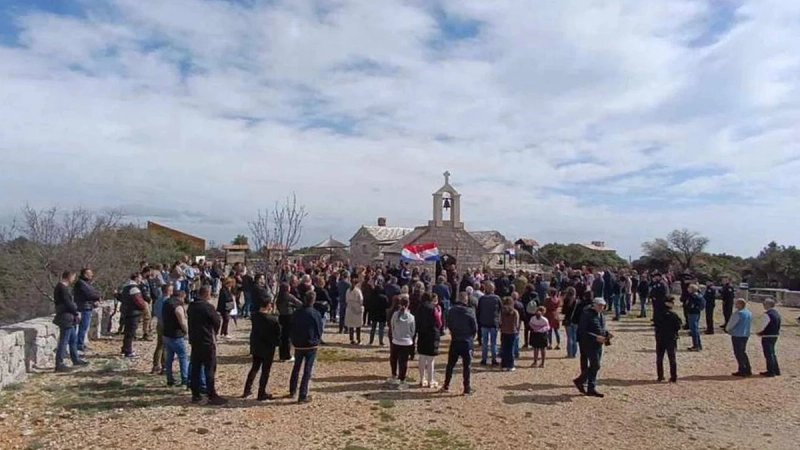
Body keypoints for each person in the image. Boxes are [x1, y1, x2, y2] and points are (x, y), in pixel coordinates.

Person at [187, 285, 226, 405]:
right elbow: (216, 321)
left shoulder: (191, 307)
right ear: (206, 294)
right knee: (209, 368)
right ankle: (211, 394)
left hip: (195, 340)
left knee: (196, 368)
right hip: (207, 340)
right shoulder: (207, 307)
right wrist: (215, 332)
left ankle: (195, 394)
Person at [573, 298, 612, 398]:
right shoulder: (587, 315)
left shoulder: (601, 315)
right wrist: (596, 337)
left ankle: (591, 388)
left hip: (598, 344)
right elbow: (582, 331)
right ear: (594, 305)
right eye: (599, 305)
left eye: (603, 305)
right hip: (588, 343)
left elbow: (600, 328)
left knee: (596, 366)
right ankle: (580, 381)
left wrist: (606, 334)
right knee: (595, 365)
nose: (601, 307)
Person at [243, 299, 281, 400]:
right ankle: (261, 392)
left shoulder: (255, 316)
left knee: (254, 368)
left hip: (256, 345)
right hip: (268, 347)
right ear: (268, 305)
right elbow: (278, 333)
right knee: (265, 371)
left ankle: (247, 389)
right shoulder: (272, 320)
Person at [290, 291, 324, 403]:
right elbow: (319, 329)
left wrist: (294, 339)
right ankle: (302, 395)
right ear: (313, 300)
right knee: (307, 370)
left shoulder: (297, 313)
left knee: (296, 368)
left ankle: (292, 390)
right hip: (310, 344)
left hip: (299, 344)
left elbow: (292, 326)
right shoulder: (315, 314)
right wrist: (317, 339)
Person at [441, 292, 477, 395]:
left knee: (450, 365)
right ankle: (466, 388)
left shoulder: (451, 311)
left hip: (456, 339)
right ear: (466, 300)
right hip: (466, 341)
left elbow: (449, 324)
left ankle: (446, 384)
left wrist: (453, 332)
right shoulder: (470, 311)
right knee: (467, 366)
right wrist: (471, 336)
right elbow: (474, 327)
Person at [53, 271, 89, 372]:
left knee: (73, 339)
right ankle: (59, 364)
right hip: (65, 317)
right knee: (64, 341)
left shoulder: (63, 288)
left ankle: (75, 359)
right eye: (73, 277)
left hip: (69, 317)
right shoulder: (62, 288)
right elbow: (68, 303)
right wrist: (76, 312)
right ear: (69, 277)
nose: (74, 279)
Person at [163, 291, 189, 387]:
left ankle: (169, 379)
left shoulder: (166, 302)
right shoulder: (177, 305)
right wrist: (186, 331)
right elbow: (182, 321)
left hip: (166, 334)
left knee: (169, 358)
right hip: (176, 335)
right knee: (183, 357)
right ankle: (185, 379)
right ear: (181, 297)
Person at [416, 293, 442, 388]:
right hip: (432, 333)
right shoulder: (433, 308)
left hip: (422, 333)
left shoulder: (420, 308)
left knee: (422, 357)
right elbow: (438, 322)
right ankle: (431, 380)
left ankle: (422, 379)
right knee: (430, 359)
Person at [389, 296, 416, 390]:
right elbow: (413, 331)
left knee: (393, 359)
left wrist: (395, 335)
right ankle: (402, 380)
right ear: (408, 304)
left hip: (396, 340)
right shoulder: (411, 317)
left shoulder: (395, 315)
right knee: (403, 362)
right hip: (406, 342)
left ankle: (393, 375)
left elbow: (392, 327)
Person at [73, 268, 101, 352]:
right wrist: (97, 297)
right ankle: (79, 345)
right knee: (83, 327)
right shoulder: (81, 283)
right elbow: (89, 294)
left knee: (84, 327)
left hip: (87, 307)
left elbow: (92, 293)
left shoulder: (86, 283)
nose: (92, 275)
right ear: (85, 274)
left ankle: (80, 344)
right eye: (90, 273)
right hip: (83, 307)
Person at [120, 273, 148, 358]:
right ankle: (128, 351)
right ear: (136, 278)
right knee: (131, 333)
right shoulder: (134, 289)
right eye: (140, 278)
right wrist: (144, 306)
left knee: (127, 331)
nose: (141, 279)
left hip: (126, 311)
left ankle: (125, 348)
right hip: (133, 312)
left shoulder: (125, 287)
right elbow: (138, 301)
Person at [654, 300, 682, 382]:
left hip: (660, 338)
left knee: (659, 358)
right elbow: (678, 326)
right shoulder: (674, 315)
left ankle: (660, 376)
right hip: (671, 338)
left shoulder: (658, 314)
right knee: (672, 358)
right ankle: (673, 376)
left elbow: (656, 324)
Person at [725, 298, 752, 377]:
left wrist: (727, 329)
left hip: (737, 335)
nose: (735, 305)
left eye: (736, 303)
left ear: (740, 304)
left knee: (738, 353)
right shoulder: (749, 313)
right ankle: (747, 369)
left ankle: (742, 370)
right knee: (743, 352)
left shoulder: (738, 313)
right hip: (745, 334)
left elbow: (731, 323)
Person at [477, 281, 501, 366]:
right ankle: (494, 359)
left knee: (485, 343)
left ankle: (484, 359)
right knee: (493, 342)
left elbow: (478, 311)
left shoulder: (482, 299)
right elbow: (500, 310)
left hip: (484, 322)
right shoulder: (497, 298)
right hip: (494, 322)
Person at [277, 282, 302, 362]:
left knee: (282, 337)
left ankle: (282, 355)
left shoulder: (279, 296)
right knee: (288, 337)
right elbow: (299, 304)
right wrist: (292, 305)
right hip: (289, 316)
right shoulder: (289, 296)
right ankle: (287, 356)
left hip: (281, 316)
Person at [756, 298, 781, 377]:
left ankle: (771, 371)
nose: (763, 305)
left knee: (768, 354)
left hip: (767, 335)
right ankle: (776, 370)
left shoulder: (767, 314)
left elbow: (763, 325)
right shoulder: (776, 313)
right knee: (772, 353)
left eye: (765, 304)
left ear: (769, 304)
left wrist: (760, 332)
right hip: (774, 335)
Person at [151, 284, 172, 374]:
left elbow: (155, 312)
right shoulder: (168, 301)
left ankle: (156, 365)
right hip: (166, 324)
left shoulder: (158, 300)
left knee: (159, 345)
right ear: (168, 290)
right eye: (171, 290)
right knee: (166, 346)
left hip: (159, 323)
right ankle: (164, 366)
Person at [499, 297, 520, 371]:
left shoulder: (502, 312)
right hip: (512, 332)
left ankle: (503, 365)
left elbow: (500, 322)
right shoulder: (515, 312)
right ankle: (510, 365)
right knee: (511, 349)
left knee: (504, 348)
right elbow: (516, 324)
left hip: (504, 331)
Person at [345, 278, 365, 345]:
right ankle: (358, 339)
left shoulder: (348, 290)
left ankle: (352, 339)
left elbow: (346, 299)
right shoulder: (358, 291)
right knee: (358, 325)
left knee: (351, 324)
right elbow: (361, 300)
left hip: (350, 307)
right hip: (356, 307)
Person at [685, 284, 705, 351]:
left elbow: (701, 304)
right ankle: (698, 345)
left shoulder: (694, 296)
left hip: (693, 313)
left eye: (689, 288)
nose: (688, 289)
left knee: (694, 330)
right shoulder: (696, 295)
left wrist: (693, 308)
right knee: (695, 329)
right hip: (694, 313)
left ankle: (696, 345)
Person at [561, 287, 578, 358]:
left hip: (568, 320)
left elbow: (563, 311)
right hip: (575, 321)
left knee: (569, 338)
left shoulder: (566, 301)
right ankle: (574, 353)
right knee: (575, 337)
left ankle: (569, 353)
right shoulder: (577, 301)